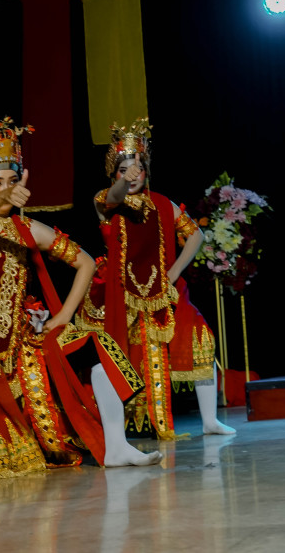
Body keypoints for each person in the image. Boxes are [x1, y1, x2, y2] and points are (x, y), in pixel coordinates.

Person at [0, 118, 160, 479]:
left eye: (12, 181)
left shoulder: (28, 229)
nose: (6, 189)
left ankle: (116, 446)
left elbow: (86, 263)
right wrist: (2, 198)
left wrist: (63, 316)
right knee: (13, 462)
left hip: (22, 341)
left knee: (97, 345)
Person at [83, 118, 235, 439]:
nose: (131, 175)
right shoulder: (105, 201)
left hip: (163, 291)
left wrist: (175, 271)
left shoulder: (163, 204)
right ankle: (129, 426)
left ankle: (210, 420)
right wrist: (124, 181)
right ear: (113, 175)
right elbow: (114, 197)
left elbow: (196, 236)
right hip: (121, 293)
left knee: (201, 339)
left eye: (137, 168)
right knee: (129, 356)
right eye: (123, 170)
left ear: (147, 172)